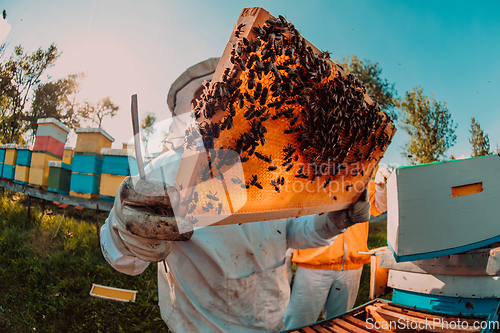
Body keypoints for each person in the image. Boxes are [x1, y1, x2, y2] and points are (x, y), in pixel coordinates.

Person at [99, 57, 372, 333]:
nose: (222, 104)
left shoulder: (273, 168)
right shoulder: (166, 168)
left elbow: (290, 234)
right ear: (193, 106)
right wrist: (124, 230)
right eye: (207, 96)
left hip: (272, 323)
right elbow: (127, 262)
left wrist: (333, 223)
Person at [283, 165, 392, 330]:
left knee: (341, 325)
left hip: (351, 266)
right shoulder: (310, 171)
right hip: (314, 263)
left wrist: (381, 188)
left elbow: (377, 208)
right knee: (298, 324)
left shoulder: (362, 171)